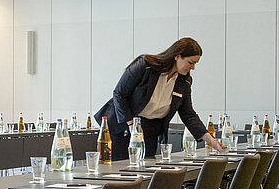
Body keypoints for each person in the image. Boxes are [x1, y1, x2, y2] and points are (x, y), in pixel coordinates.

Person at [95, 37, 224, 161]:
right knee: (118, 171)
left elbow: (188, 114)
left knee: (144, 172)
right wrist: (131, 124)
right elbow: (119, 94)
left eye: (195, 64)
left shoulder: (184, 81)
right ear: (177, 56)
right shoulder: (145, 65)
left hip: (149, 131)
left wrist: (211, 140)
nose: (193, 68)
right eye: (191, 63)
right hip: (122, 126)